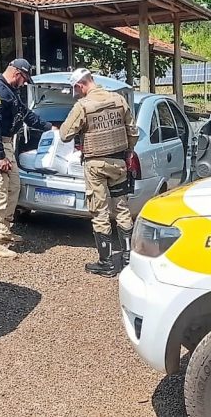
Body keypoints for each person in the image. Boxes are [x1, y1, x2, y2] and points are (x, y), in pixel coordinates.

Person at [59, 68, 139, 277]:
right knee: (122, 208)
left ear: (80, 85)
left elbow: (65, 134)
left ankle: (107, 263)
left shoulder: (83, 106)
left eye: (75, 89)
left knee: (99, 210)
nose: (75, 93)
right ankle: (129, 257)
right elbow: (133, 131)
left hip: (95, 165)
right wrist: (128, 153)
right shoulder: (119, 99)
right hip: (119, 162)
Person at [0, 58, 53, 260]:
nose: (25, 83)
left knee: (13, 187)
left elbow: (26, 115)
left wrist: (49, 128)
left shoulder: (10, 92)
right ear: (17, 73)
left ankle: (3, 230)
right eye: (25, 78)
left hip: (6, 144)